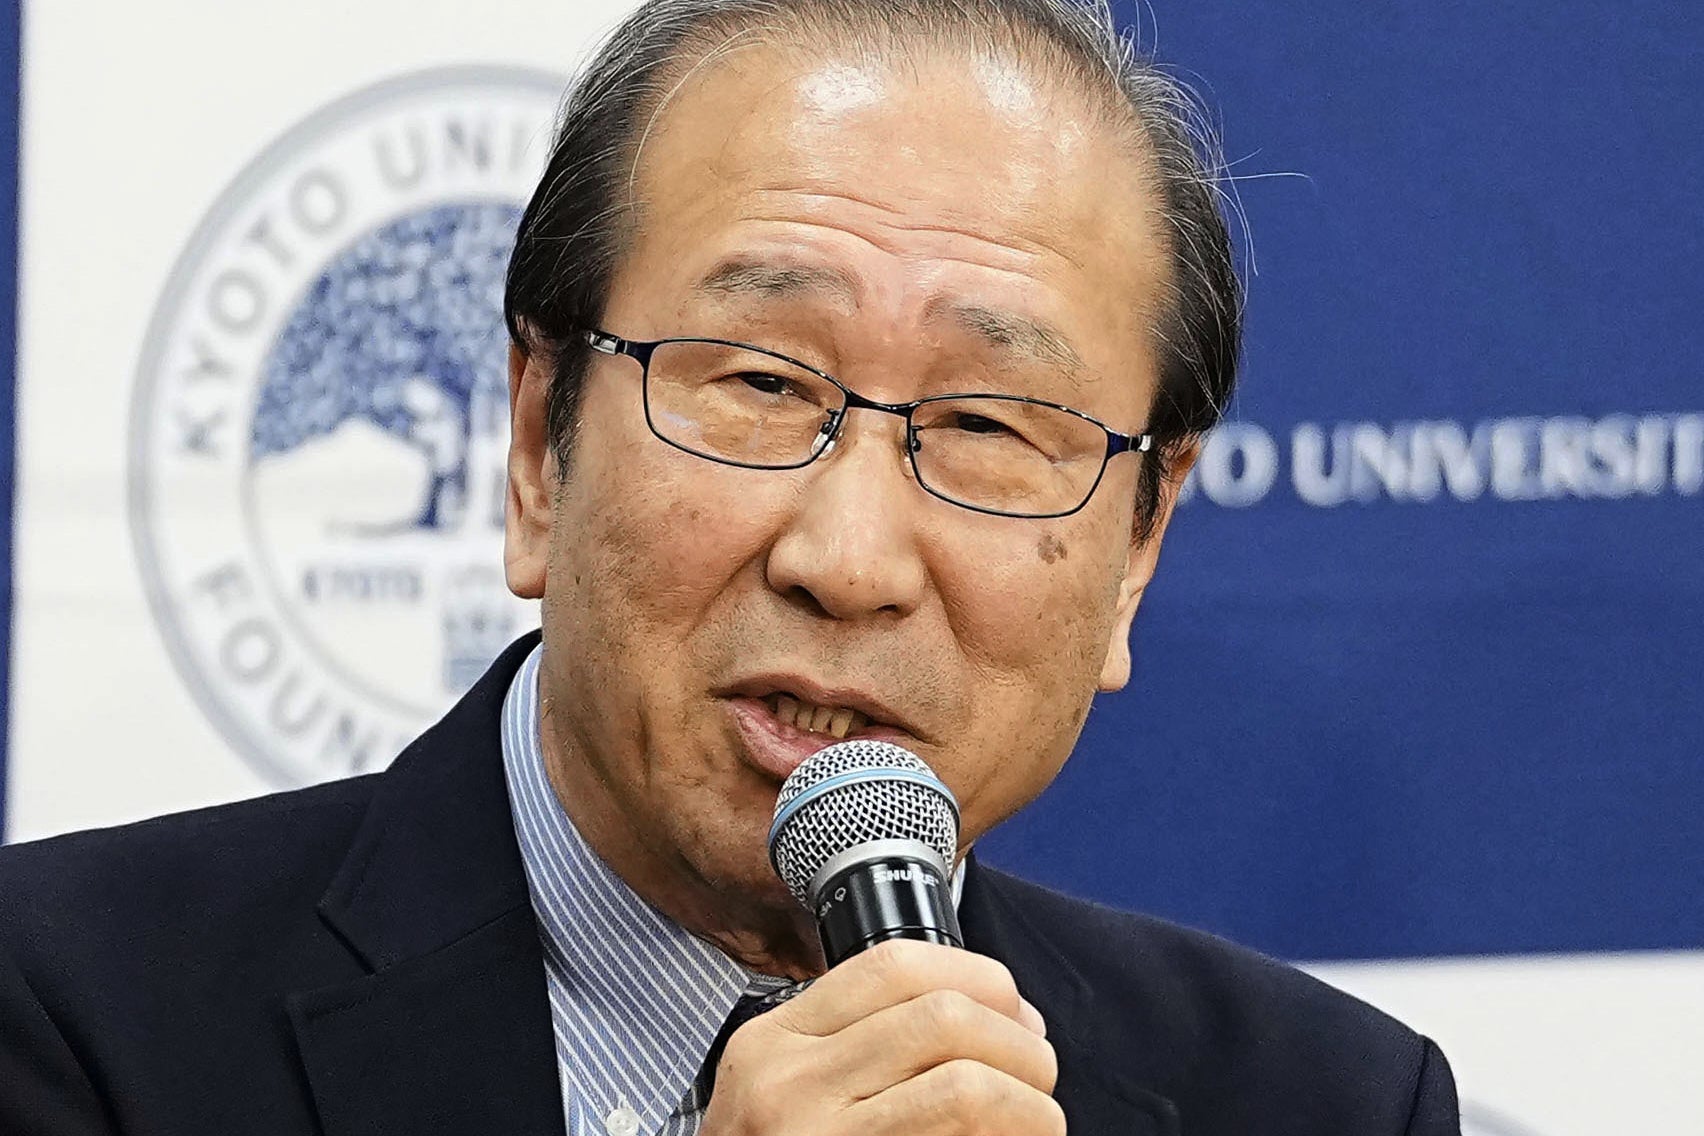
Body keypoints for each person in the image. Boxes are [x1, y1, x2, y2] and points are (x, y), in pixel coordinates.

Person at [0, 2, 1460, 1133]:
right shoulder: (70, 1021)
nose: (850, 559)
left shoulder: (1320, 1103)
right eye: (763, 384)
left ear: (1139, 545)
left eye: (988, 425)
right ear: (539, 444)